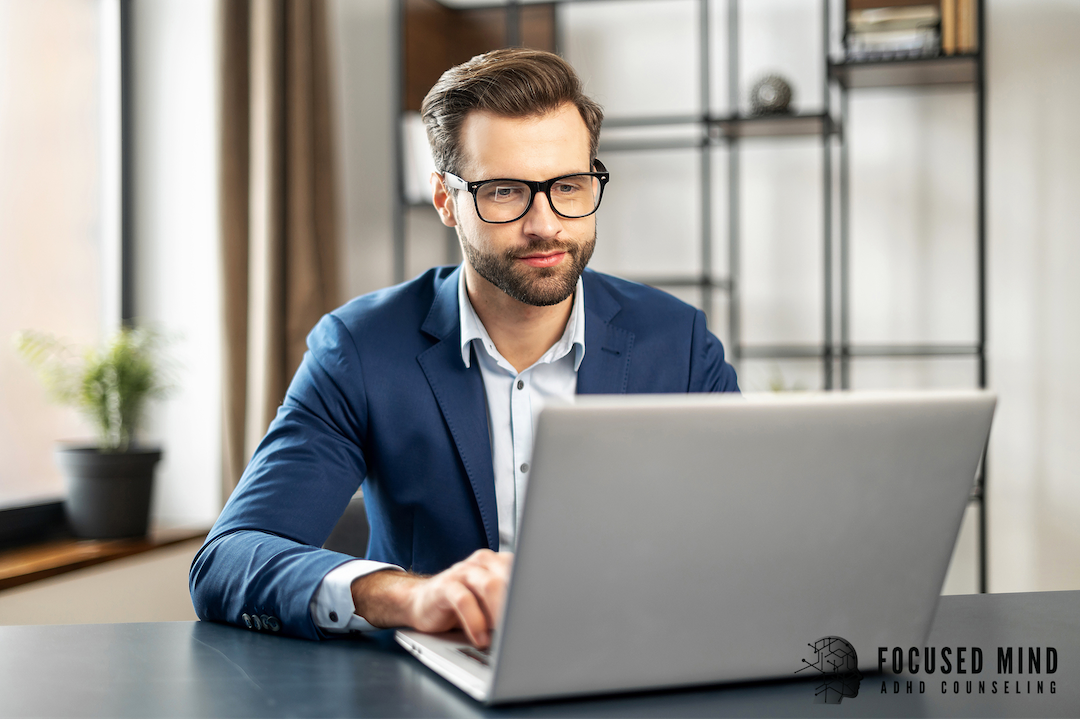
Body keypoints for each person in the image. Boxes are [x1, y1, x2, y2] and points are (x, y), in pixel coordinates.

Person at [189, 48, 739, 647]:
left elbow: (756, 535)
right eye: (504, 191)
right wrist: (408, 595)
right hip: (433, 687)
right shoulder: (360, 349)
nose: (546, 224)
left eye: (570, 186)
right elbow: (226, 562)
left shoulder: (679, 343)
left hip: (638, 670)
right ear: (446, 200)